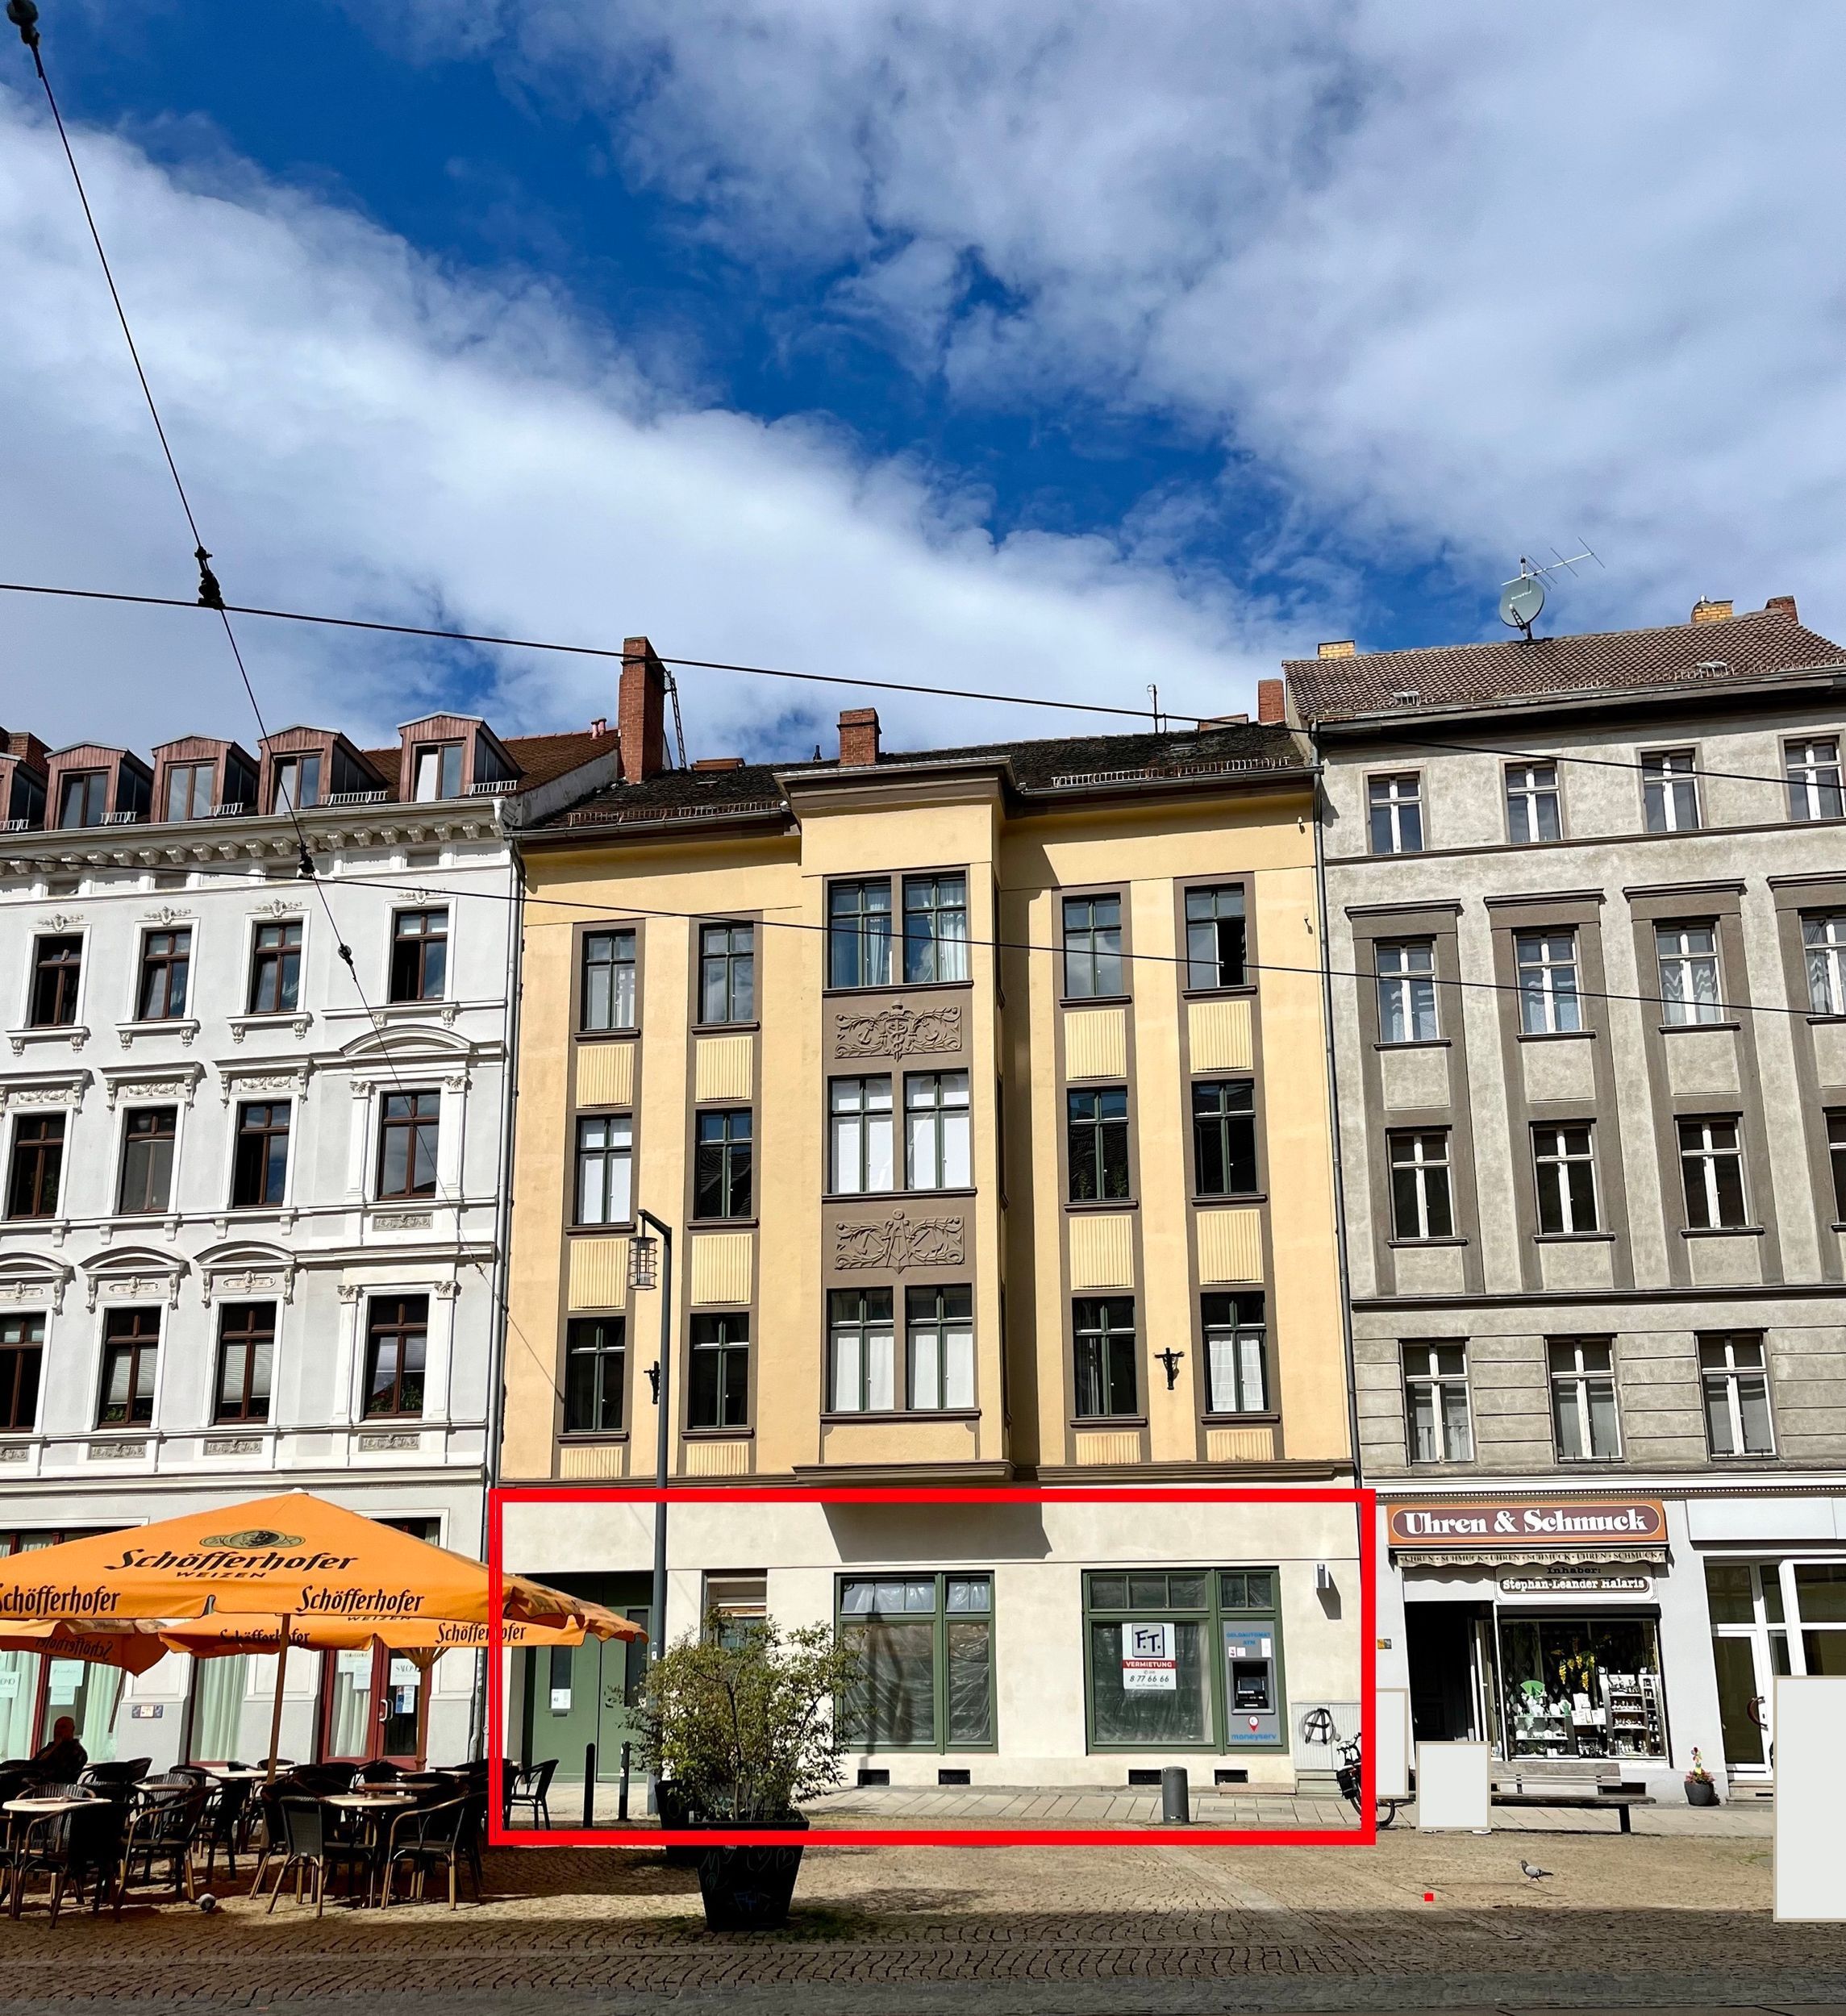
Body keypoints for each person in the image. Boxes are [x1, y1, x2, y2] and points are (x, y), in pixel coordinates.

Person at [32, 1715, 87, 1780]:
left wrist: (56, 1747)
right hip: (33, 1780)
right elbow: (34, 1763)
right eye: (56, 1727)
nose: (58, 1730)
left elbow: (61, 1773)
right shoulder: (50, 1747)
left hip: (55, 1787)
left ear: (72, 1729)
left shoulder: (77, 1752)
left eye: (63, 1727)